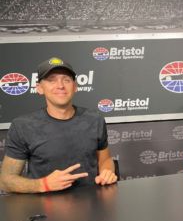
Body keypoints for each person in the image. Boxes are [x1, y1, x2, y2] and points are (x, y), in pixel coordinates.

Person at [0, 57, 117, 193]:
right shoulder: (22, 126)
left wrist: (106, 172)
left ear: (75, 87)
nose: (60, 85)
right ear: (39, 88)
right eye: (51, 80)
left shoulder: (95, 119)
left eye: (66, 80)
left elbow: (106, 159)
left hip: (91, 203)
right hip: (44, 208)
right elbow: (6, 180)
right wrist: (43, 184)